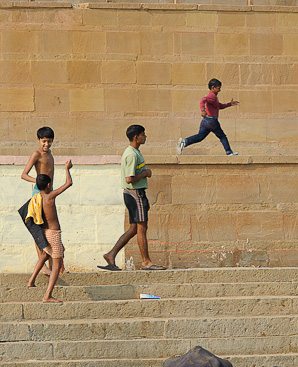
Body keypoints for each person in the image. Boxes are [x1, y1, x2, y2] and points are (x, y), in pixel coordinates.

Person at [100, 125, 165, 271]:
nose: (145, 137)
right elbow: (129, 179)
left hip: (133, 194)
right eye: (143, 134)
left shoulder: (135, 152)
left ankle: (111, 254)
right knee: (142, 228)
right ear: (136, 137)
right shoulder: (131, 154)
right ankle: (146, 261)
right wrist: (145, 174)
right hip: (135, 193)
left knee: (134, 228)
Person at [27, 161, 73, 303]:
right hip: (53, 233)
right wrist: (66, 169)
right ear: (48, 185)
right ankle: (47, 295)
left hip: (45, 232)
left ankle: (31, 281)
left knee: (44, 256)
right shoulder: (50, 196)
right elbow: (69, 183)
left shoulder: (37, 198)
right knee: (57, 264)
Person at [21, 126, 57, 274]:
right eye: (44, 141)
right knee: (39, 230)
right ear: (38, 140)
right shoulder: (36, 154)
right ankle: (43, 266)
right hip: (38, 194)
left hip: (49, 193)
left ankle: (54, 265)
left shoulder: (50, 155)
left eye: (49, 142)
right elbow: (24, 174)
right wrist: (38, 181)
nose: (46, 144)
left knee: (50, 228)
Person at [177, 78, 239, 156]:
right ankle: (229, 152)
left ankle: (185, 141)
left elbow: (220, 106)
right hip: (212, 121)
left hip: (205, 121)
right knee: (222, 136)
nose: (219, 90)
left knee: (200, 137)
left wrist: (229, 104)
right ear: (213, 87)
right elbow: (202, 100)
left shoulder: (214, 98)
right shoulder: (212, 96)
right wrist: (203, 110)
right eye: (218, 88)